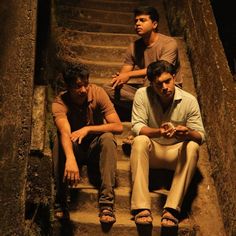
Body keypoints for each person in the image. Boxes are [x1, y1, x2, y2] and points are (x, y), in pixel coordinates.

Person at [130, 60, 205, 227]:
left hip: (176, 153)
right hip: (153, 150)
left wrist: (187, 132)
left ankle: (172, 208)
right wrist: (158, 132)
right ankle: (141, 207)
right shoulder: (142, 94)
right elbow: (136, 126)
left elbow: (200, 136)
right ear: (151, 84)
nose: (164, 87)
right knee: (140, 140)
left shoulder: (189, 100)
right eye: (158, 84)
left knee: (193, 145)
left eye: (167, 81)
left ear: (173, 77)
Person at [52, 63, 123, 224]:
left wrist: (88, 129)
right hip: (74, 147)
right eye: (78, 86)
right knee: (58, 140)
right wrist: (70, 158)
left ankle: (106, 204)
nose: (83, 90)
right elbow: (64, 131)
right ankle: (61, 203)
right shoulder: (59, 103)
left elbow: (118, 126)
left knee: (108, 137)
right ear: (68, 87)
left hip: (95, 148)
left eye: (85, 84)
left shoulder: (97, 93)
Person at [104, 5, 181, 121]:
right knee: (108, 88)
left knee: (149, 82)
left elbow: (160, 71)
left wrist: (129, 75)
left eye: (142, 20)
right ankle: (148, 107)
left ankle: (146, 112)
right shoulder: (133, 47)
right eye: (136, 21)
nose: (138, 24)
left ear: (154, 24)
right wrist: (120, 79)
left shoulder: (169, 44)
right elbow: (125, 72)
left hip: (166, 87)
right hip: (146, 89)